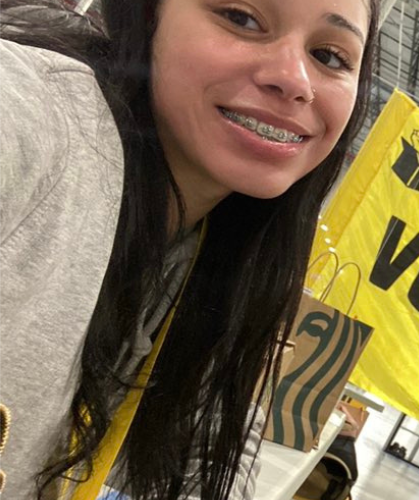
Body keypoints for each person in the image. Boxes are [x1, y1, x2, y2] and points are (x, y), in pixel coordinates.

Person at [0, 0, 380, 498]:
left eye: (330, 56)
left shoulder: (221, 259)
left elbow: (216, 450)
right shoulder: (34, 118)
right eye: (241, 18)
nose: (294, 80)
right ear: (145, 17)